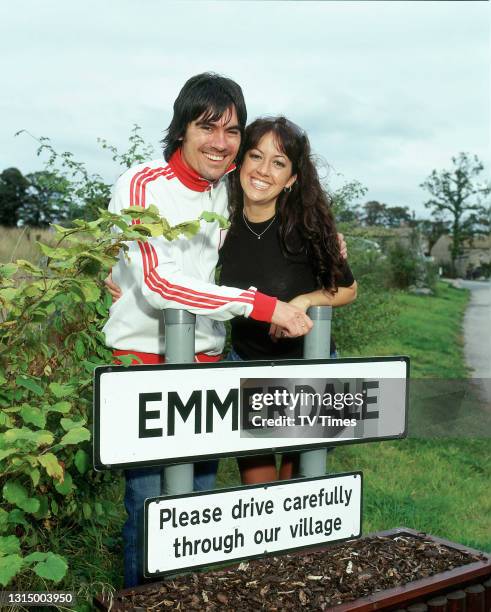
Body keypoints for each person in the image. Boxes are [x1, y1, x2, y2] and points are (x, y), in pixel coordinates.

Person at [104, 73, 322, 588]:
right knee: (150, 505)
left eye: (232, 131)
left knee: (197, 505)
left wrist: (326, 246)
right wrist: (263, 307)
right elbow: (159, 283)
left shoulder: (223, 192)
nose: (221, 143)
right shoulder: (141, 185)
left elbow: (277, 208)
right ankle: (143, 599)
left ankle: (183, 596)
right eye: (209, 127)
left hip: (206, 366)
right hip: (148, 364)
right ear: (182, 127)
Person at [220, 116, 357, 485]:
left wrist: (305, 299)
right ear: (240, 162)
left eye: (278, 162)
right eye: (255, 156)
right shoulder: (219, 226)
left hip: (309, 372)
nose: (264, 170)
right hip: (247, 368)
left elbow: (347, 289)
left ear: (292, 177)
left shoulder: (310, 230)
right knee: (260, 490)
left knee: (299, 492)